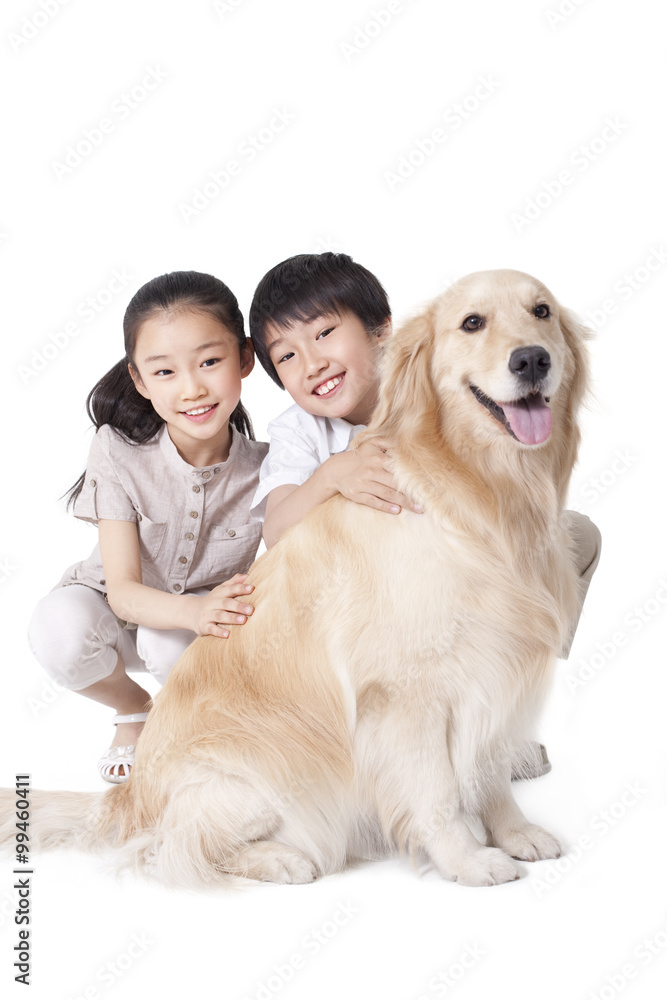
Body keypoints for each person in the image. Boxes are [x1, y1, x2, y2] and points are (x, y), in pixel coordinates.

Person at [248, 252, 601, 779]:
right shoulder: (300, 430)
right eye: (287, 357)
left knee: (573, 539)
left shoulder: (436, 381)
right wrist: (334, 474)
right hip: (363, 607)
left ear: (382, 332)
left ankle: (499, 717)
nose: (312, 363)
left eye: (324, 334)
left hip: (456, 580)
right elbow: (276, 531)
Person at [28, 271, 268, 783]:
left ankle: (192, 734)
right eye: (164, 373)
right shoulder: (117, 451)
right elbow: (122, 593)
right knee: (58, 631)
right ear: (138, 380)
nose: (193, 388)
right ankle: (136, 710)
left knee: (167, 643)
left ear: (245, 358)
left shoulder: (272, 468)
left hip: (191, 632)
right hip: (115, 607)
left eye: (210, 361)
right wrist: (195, 609)